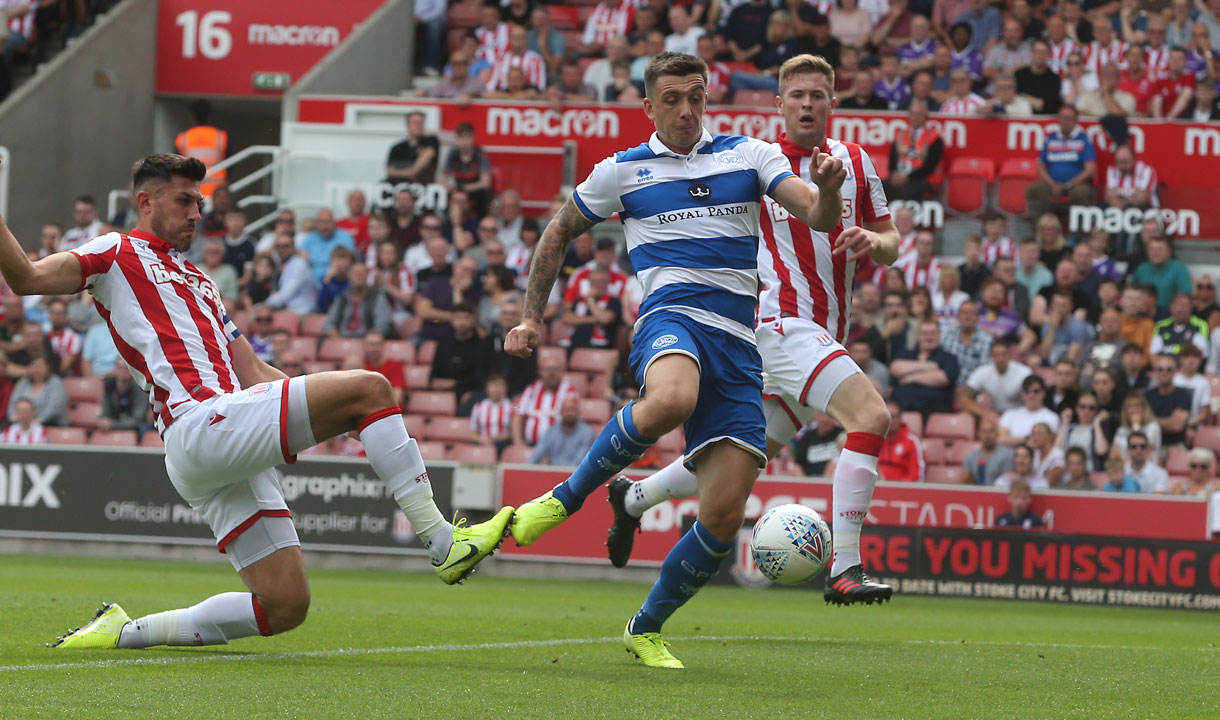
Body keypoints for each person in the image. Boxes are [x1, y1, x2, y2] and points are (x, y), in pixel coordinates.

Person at [22, 155, 512, 652]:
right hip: (201, 425)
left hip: (216, 442)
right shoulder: (114, 251)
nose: (197, 213)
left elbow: (254, 373)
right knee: (372, 387)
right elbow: (27, 277)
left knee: (284, 606)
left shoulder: (202, 283)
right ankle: (444, 543)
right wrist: (357, 408)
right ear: (146, 202)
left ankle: (122, 634)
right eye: (184, 201)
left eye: (200, 202)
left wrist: (347, 421)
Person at [503, 53, 896, 668]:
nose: (686, 109)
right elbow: (557, 230)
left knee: (724, 495)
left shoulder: (760, 157)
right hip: (773, 323)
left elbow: (831, 219)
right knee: (867, 416)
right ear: (649, 106)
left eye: (696, 96)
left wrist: (831, 191)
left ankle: (636, 528)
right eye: (672, 98)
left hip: (752, 342)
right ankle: (844, 565)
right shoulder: (630, 170)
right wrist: (532, 315)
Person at [891, 320, 959, 414]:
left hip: (935, 410)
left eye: (933, 333)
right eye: (925, 333)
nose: (929, 337)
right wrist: (928, 366)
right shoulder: (906, 354)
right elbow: (895, 368)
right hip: (902, 407)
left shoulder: (949, 358)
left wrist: (910, 377)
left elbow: (944, 378)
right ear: (918, 336)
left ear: (939, 335)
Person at [511, 353, 576, 448]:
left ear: (562, 372)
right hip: (531, 446)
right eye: (548, 369)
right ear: (540, 371)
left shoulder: (569, 392)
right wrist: (518, 443)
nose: (552, 373)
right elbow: (517, 414)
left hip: (558, 447)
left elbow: (573, 419)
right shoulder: (530, 390)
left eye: (556, 369)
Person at [886, 99, 943, 201]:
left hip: (922, 178)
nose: (915, 117)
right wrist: (894, 174)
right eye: (912, 113)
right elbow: (892, 159)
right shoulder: (900, 135)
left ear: (925, 116)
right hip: (900, 175)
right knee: (881, 187)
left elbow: (930, 166)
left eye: (919, 114)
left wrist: (908, 177)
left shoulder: (934, 138)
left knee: (912, 188)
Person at [960, 340, 1032, 417]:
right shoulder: (982, 372)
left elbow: (1033, 399)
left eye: (1003, 354)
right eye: (996, 355)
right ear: (991, 355)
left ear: (1009, 354)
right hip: (995, 414)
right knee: (986, 426)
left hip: (1020, 414)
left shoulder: (1024, 373)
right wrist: (985, 413)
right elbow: (965, 400)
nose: (1000, 359)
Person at [429, 303, 482, 407]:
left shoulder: (481, 345)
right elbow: (434, 372)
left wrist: (455, 383)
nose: (461, 323)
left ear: (473, 320)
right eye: (457, 318)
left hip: (466, 392)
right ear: (452, 320)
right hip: (441, 391)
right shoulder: (443, 344)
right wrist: (435, 382)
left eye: (466, 318)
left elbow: (479, 377)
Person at [174, 100, 228, 198]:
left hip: (191, 190)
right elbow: (230, 164)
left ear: (192, 116)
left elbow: (175, 166)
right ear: (210, 115)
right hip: (216, 194)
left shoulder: (183, 138)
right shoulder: (221, 136)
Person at [322, 264, 391, 340]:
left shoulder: (377, 297)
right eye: (355, 273)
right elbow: (329, 323)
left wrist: (369, 339)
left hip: (367, 343)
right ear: (349, 276)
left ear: (367, 276)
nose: (359, 276)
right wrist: (338, 339)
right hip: (342, 339)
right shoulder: (342, 298)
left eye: (362, 273)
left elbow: (382, 324)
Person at [528, 396, 597, 466]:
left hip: (576, 474)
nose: (569, 413)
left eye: (572, 409)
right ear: (560, 412)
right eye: (566, 410)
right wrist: (527, 468)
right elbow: (536, 455)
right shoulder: (551, 431)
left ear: (578, 412)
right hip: (553, 473)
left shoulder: (587, 433)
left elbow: (580, 462)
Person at [1144, 353, 1193, 448]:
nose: (1164, 372)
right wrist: (1171, 420)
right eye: (1160, 369)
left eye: (1169, 369)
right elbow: (1143, 422)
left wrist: (1152, 420)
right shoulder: (1147, 395)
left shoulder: (1183, 395)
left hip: (1175, 445)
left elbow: (1177, 426)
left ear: (1176, 372)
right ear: (1154, 372)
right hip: (1150, 445)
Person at [998, 375, 1060, 445]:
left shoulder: (1052, 417)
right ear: (1022, 394)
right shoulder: (1009, 414)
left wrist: (1014, 440)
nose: (1031, 395)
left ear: (1043, 393)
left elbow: (1048, 442)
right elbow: (1001, 439)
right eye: (1027, 391)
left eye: (1036, 391)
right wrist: (1027, 439)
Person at [264, 233, 317, 316]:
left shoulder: (299, 266)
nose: (282, 249)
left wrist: (265, 304)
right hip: (288, 310)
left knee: (262, 316)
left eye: (286, 246)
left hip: (301, 311)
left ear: (293, 248)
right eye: (279, 246)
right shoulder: (283, 265)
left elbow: (284, 296)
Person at [299, 209, 355, 286]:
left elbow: (349, 262)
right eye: (321, 222)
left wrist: (330, 276)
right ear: (316, 223)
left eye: (328, 221)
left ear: (334, 223)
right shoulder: (310, 238)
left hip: (338, 280)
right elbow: (302, 262)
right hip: (312, 284)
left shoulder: (345, 237)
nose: (325, 226)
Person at [385, 112, 440, 185]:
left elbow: (428, 155)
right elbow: (390, 172)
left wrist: (402, 172)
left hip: (421, 186)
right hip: (397, 185)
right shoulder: (397, 148)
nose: (418, 126)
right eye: (415, 123)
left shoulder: (430, 141)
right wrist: (409, 172)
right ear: (407, 125)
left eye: (421, 123)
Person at [877, 398, 924, 482]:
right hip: (876, 489)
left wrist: (897, 489)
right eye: (888, 416)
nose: (891, 420)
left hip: (903, 491)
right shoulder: (875, 440)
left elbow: (916, 476)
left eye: (894, 417)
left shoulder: (911, 441)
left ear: (900, 419)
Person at [97, 359, 149, 434]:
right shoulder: (109, 387)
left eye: (127, 368)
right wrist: (104, 422)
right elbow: (104, 414)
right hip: (113, 426)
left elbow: (138, 419)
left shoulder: (141, 388)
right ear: (115, 370)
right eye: (120, 367)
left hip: (136, 429)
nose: (124, 371)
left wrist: (112, 424)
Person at [1150, 292, 1209, 357]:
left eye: (1184, 305)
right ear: (1170, 307)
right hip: (1166, 365)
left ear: (1191, 308)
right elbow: (1154, 354)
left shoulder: (1200, 325)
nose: (1180, 309)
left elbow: (1202, 354)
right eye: (1177, 305)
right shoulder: (1160, 326)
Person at [470, 373, 514, 453]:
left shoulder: (512, 406)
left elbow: (516, 431)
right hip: (483, 443)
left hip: (503, 445)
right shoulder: (478, 406)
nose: (496, 389)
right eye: (494, 385)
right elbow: (473, 433)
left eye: (500, 386)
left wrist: (500, 437)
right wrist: (483, 440)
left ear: (506, 388)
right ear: (487, 388)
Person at [962, 417, 1014, 485]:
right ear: (978, 435)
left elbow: (1008, 481)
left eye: (991, 431)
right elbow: (963, 481)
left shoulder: (1007, 454)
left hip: (999, 493)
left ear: (997, 434)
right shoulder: (972, 455)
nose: (987, 435)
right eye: (984, 432)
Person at [362, 332, 406, 407]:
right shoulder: (361, 365)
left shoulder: (394, 366)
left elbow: (397, 397)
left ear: (383, 345)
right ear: (364, 346)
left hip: (386, 413)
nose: (372, 349)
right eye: (369, 344)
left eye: (376, 345)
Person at [1028, 422, 1065, 487]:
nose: (1035, 438)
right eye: (1033, 434)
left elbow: (1051, 482)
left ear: (1050, 436)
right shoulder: (1034, 454)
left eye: (1040, 434)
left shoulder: (1057, 455)